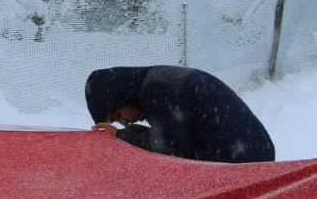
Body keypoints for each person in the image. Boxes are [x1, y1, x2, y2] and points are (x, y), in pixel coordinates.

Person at [85, 65, 275, 163]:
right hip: (250, 151)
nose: (124, 122)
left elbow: (173, 150)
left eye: (118, 115)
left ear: (123, 97)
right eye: (117, 122)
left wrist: (121, 135)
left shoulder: (157, 90)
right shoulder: (158, 80)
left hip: (242, 161)